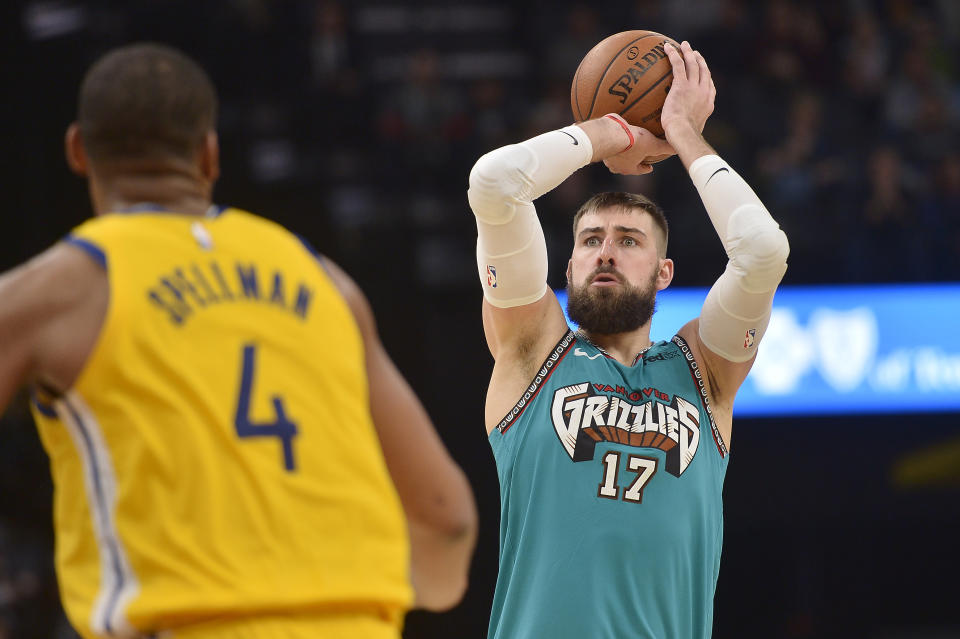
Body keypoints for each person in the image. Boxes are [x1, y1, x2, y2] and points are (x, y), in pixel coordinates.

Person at [0, 43, 477, 639]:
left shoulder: (56, 292)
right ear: (209, 153)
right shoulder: (326, 281)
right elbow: (448, 522)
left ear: (77, 151)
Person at [468, 41, 789, 638]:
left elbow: (763, 252)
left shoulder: (704, 373)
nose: (606, 252)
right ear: (566, 269)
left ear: (664, 273)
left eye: (629, 241)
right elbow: (493, 183)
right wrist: (612, 131)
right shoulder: (532, 350)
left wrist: (683, 133)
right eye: (590, 240)